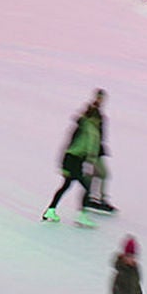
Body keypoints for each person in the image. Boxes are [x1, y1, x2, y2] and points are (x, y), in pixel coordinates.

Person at [42, 91, 105, 226]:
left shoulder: (84, 125)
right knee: (86, 187)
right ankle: (81, 215)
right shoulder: (89, 128)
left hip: (72, 159)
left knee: (66, 186)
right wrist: (91, 161)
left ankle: (50, 210)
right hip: (74, 160)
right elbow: (89, 147)